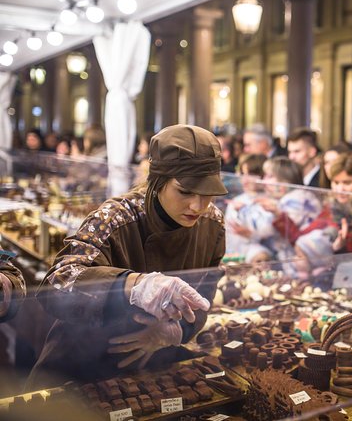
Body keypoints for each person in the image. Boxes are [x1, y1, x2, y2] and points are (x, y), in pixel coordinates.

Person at [28, 125, 228, 388]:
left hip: (155, 369)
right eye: (185, 191)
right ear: (157, 181)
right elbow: (56, 285)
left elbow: (204, 296)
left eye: (207, 192)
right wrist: (132, 285)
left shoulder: (212, 222)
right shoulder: (116, 216)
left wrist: (180, 331)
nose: (198, 206)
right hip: (80, 368)